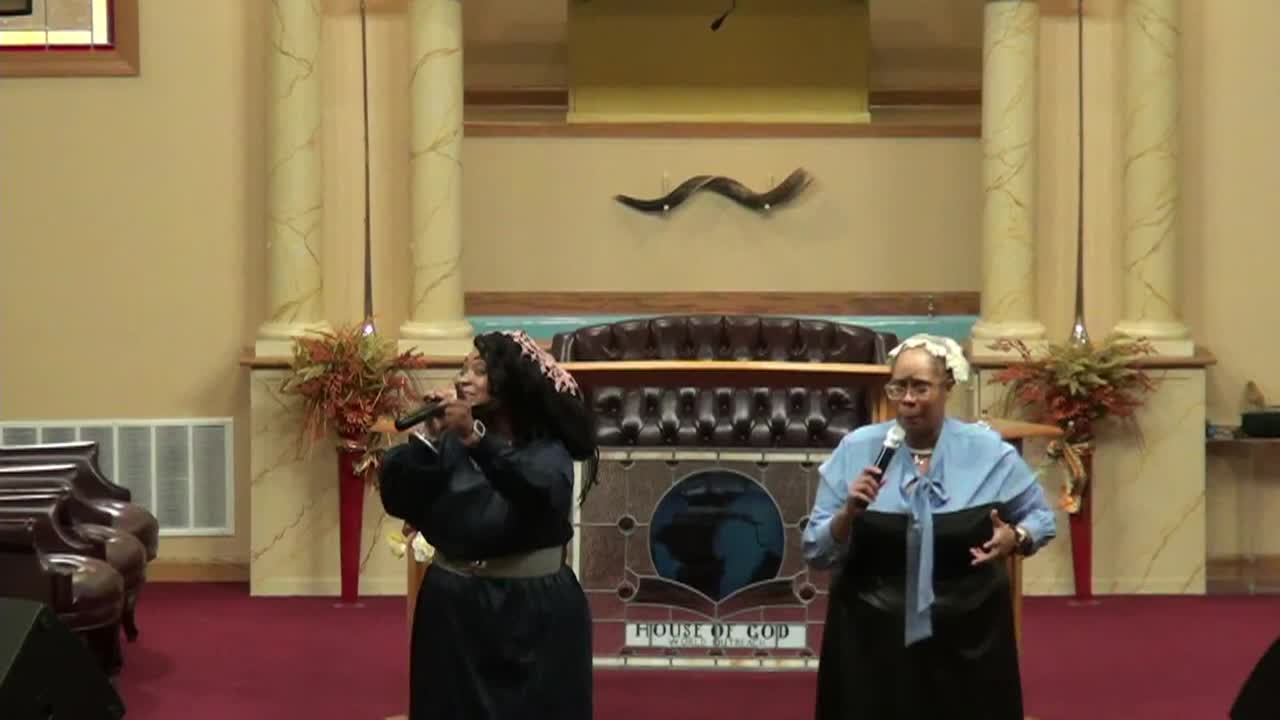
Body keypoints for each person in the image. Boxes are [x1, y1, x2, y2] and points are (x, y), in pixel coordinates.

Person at [802, 333, 1057, 719]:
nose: (907, 399)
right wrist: (847, 514)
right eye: (898, 387)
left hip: (969, 631)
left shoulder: (988, 451)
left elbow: (1041, 518)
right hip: (872, 634)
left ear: (947, 387)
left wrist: (1016, 537)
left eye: (920, 387)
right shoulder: (856, 449)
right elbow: (816, 551)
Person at [378, 329, 598, 720]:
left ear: (512, 382)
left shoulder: (548, 448)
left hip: (534, 609)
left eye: (479, 370)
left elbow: (536, 490)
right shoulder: (448, 442)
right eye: (462, 369)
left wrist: (476, 441)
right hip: (452, 610)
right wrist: (427, 440)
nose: (463, 379)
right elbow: (397, 497)